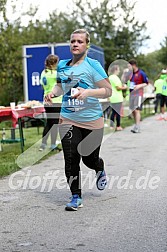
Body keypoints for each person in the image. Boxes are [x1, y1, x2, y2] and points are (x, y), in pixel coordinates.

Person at [45, 29, 112, 211]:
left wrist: (88, 92)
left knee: (89, 159)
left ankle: (99, 167)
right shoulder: (63, 66)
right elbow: (60, 86)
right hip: (68, 117)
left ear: (86, 45)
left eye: (80, 41)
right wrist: (53, 92)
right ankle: (76, 196)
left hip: (92, 120)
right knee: (71, 157)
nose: (75, 44)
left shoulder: (93, 65)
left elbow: (108, 90)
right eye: (73, 41)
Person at [39, 54, 62, 151]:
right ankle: (52, 145)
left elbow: (41, 86)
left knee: (49, 122)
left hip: (46, 101)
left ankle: (43, 144)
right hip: (56, 101)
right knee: (55, 123)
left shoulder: (44, 73)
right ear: (54, 63)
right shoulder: (56, 74)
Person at [128, 59, 149, 133]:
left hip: (138, 94)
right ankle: (136, 125)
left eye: (129, 66)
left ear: (133, 65)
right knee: (133, 110)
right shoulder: (130, 74)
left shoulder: (141, 73)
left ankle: (137, 126)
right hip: (131, 94)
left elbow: (146, 83)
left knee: (137, 110)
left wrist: (139, 86)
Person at [108, 65, 127, 131]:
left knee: (113, 112)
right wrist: (124, 87)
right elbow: (118, 87)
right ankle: (118, 126)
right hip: (117, 98)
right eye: (118, 69)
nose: (119, 71)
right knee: (118, 112)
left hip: (112, 97)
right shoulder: (115, 77)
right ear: (115, 70)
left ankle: (111, 126)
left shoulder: (110, 77)